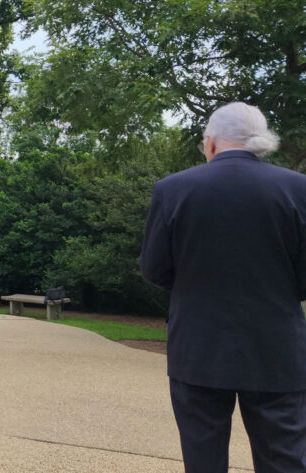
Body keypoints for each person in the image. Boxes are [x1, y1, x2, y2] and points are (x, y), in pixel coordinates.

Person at [140, 102, 306, 472]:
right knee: (284, 461)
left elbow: (154, 269)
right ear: (261, 142)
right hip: (277, 351)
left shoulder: (172, 190)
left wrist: (193, 287)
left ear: (211, 142)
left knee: (203, 462)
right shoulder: (299, 190)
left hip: (198, 348)